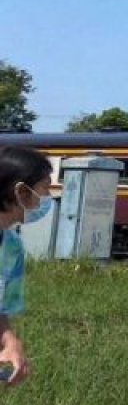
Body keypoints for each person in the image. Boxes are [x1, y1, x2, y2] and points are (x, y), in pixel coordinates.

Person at [0, 146, 54, 388]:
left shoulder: (11, 249)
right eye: (45, 188)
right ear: (21, 192)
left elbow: (2, 310)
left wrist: (10, 342)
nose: (48, 197)